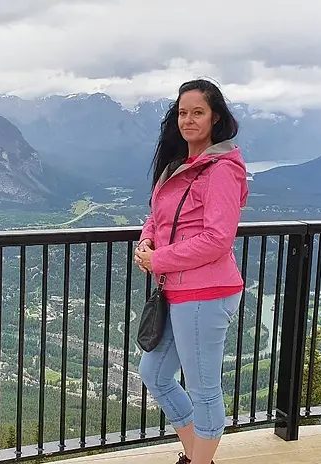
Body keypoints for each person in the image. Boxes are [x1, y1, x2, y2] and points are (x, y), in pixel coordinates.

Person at [133, 78, 248, 464]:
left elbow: (218, 238)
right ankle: (197, 454)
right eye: (183, 113)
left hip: (207, 293)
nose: (188, 120)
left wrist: (158, 261)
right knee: (155, 373)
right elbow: (158, 216)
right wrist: (147, 241)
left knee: (203, 390)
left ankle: (200, 461)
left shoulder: (221, 170)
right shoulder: (181, 164)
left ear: (215, 118)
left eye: (197, 112)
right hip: (177, 291)